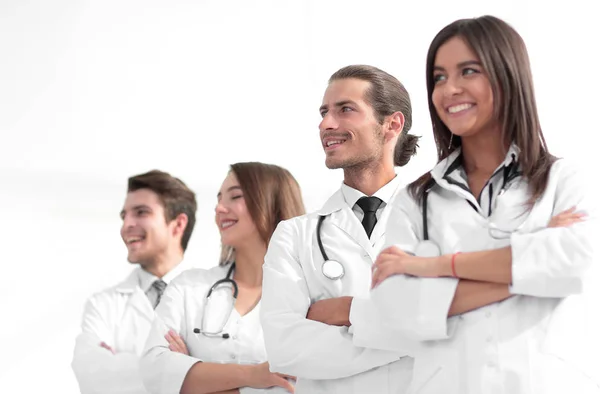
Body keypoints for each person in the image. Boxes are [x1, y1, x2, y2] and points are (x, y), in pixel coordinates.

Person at [363, 15, 600, 393]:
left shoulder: (565, 180)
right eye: (439, 77)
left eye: (467, 71)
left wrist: (430, 267)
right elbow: (398, 311)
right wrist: (529, 267)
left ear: (508, 76)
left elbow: (575, 262)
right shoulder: (417, 200)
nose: (449, 89)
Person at [259, 65, 421, 393]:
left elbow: (459, 322)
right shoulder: (294, 235)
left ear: (392, 124)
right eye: (324, 112)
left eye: (345, 109)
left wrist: (348, 311)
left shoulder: (436, 220)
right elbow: (284, 349)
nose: (325, 124)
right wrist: (414, 337)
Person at [140, 162, 305, 394]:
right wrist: (254, 376)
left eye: (235, 197)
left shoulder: (310, 295)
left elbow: (309, 385)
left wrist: (194, 378)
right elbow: (154, 371)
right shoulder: (188, 288)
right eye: (219, 199)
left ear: (271, 204)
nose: (219, 209)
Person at [72, 170, 197, 394]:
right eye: (124, 216)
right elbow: (93, 381)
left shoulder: (216, 297)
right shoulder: (103, 305)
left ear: (178, 225)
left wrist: (120, 366)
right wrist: (188, 369)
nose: (126, 225)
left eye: (141, 212)